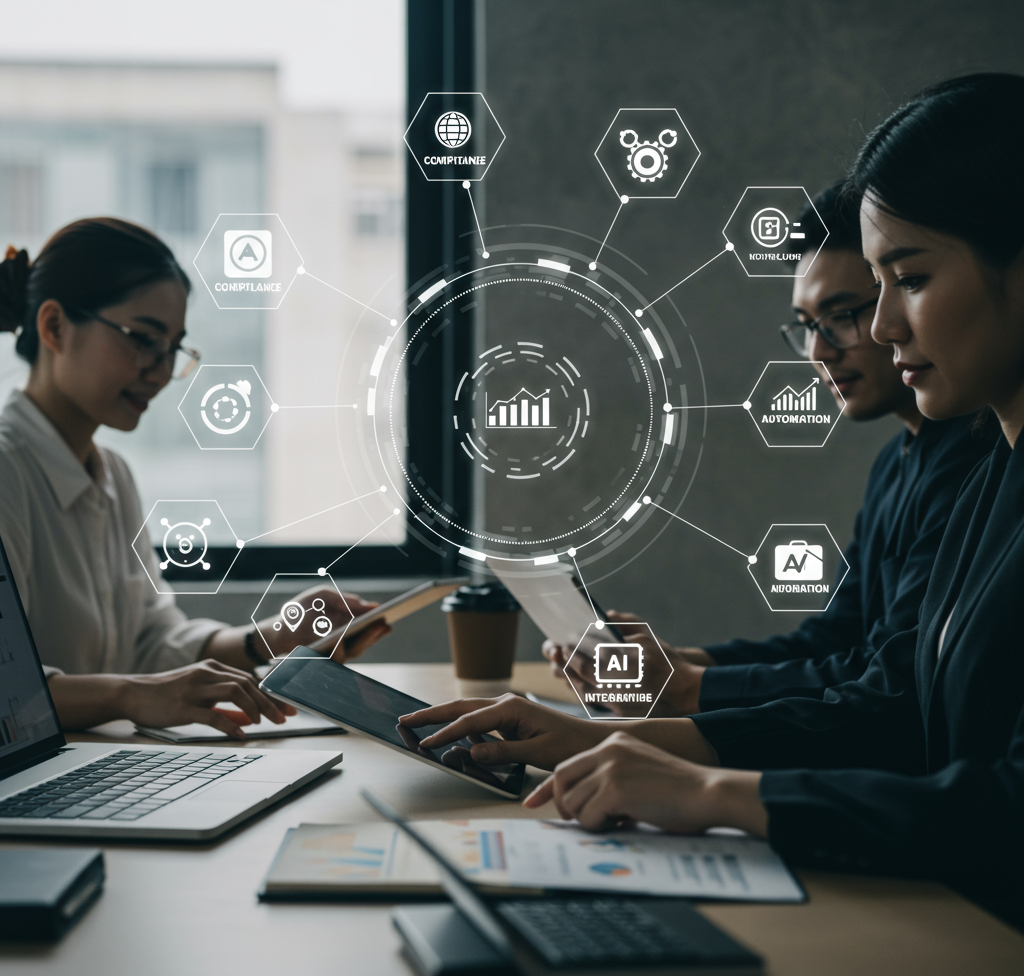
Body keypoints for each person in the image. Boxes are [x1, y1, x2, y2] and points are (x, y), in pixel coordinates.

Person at [401, 74, 1024, 928]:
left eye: (904, 281)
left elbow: (955, 764)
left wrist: (706, 776)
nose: (874, 332)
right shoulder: (992, 470)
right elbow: (893, 696)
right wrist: (653, 719)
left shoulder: (973, 460)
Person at [546, 182, 995, 716]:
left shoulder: (975, 462)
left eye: (841, 316)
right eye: (807, 326)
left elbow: (890, 684)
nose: (818, 352)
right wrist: (683, 665)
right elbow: (836, 639)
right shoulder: (895, 464)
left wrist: (686, 688)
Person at [0, 218, 390, 739]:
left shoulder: (112, 474)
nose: (160, 372)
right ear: (54, 328)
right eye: (142, 340)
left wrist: (277, 635)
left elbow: (153, 644)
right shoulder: (7, 469)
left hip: (104, 765)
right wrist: (132, 695)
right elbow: (8, 693)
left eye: (171, 348)